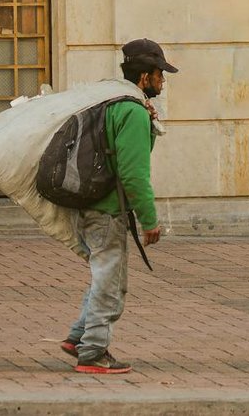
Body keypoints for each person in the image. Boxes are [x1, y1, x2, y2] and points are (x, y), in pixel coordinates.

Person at [60, 37, 177, 374]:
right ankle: (93, 352)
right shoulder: (131, 112)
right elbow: (133, 174)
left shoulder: (113, 102)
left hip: (91, 205)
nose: (163, 81)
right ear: (144, 77)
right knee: (111, 282)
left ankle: (78, 336)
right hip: (108, 211)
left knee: (103, 276)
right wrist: (149, 219)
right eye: (159, 74)